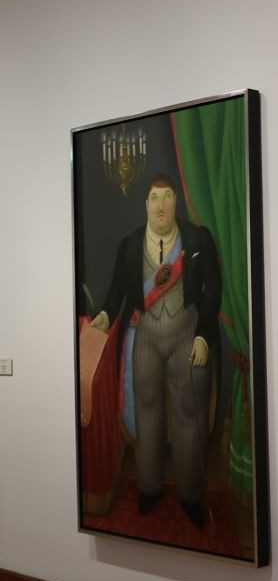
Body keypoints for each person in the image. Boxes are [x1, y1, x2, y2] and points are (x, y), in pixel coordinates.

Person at [90, 174, 221, 529]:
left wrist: (203, 336)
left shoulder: (198, 239)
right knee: (146, 412)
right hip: (144, 333)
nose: (161, 205)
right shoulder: (130, 245)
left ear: (176, 201)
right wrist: (105, 315)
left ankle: (190, 494)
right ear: (145, 205)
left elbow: (213, 288)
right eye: (154, 198)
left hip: (187, 332)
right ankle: (149, 487)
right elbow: (118, 288)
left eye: (167, 197)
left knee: (189, 414)